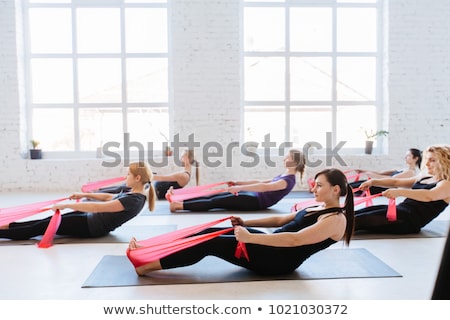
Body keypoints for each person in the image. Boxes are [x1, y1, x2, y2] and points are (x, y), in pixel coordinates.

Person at [127, 168, 355, 276]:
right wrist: (245, 223)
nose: (313, 188)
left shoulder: (335, 220)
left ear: (335, 189)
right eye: (314, 184)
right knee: (213, 230)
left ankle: (148, 266)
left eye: (319, 185)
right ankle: (152, 247)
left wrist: (249, 237)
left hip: (277, 260)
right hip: (270, 244)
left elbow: (295, 240)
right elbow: (281, 219)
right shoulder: (318, 207)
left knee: (211, 243)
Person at [0, 162, 156, 240]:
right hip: (89, 219)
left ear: (137, 178)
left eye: (128, 174)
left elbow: (98, 208)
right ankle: (7, 226)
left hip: (91, 228)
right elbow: (109, 197)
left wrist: (66, 205)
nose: (125, 177)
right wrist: (82, 194)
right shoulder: (133, 192)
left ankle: (3, 232)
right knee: (44, 221)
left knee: (40, 228)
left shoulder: (135, 200)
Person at [167, 149, 306, 213]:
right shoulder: (285, 175)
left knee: (216, 202)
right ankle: (180, 202)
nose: (284, 159)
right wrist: (239, 183)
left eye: (287, 158)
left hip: (256, 202)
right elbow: (261, 180)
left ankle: (179, 206)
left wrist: (239, 189)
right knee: (215, 195)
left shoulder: (288, 181)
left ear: (294, 161)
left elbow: (264, 187)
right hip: (253, 196)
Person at [354, 144, 450, 234]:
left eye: (432, 160)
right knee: (354, 214)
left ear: (445, 162)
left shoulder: (446, 184)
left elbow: (429, 196)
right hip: (400, 210)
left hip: (409, 221)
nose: (427, 164)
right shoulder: (425, 177)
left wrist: (400, 192)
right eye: (427, 160)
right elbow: (396, 182)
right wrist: (373, 182)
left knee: (359, 220)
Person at [96, 150, 199, 200]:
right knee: (124, 186)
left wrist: (143, 174)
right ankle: (97, 192)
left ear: (186, 159)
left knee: (124, 188)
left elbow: (163, 178)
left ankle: (96, 193)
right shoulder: (184, 174)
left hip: (151, 191)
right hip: (151, 188)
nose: (180, 159)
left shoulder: (184, 176)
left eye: (182, 157)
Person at [350, 148, 422, 195]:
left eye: (408, 156)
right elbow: (381, 172)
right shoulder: (403, 169)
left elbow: (393, 180)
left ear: (415, 158)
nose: (405, 158)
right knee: (350, 185)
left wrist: (372, 175)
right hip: (376, 183)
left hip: (381, 187)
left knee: (351, 189)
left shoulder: (410, 172)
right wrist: (364, 171)